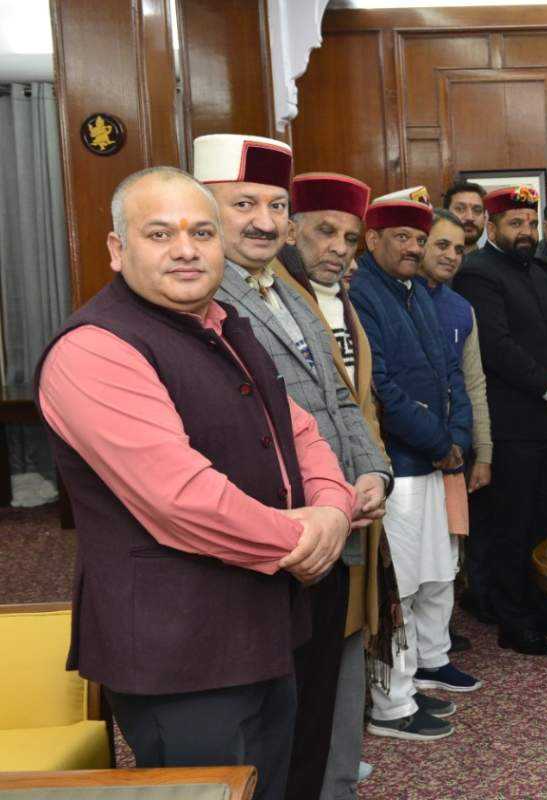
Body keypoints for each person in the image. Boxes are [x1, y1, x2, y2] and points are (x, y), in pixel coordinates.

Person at [37, 166, 357, 800]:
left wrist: (333, 508)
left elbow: (301, 433)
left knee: (273, 786)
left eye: (202, 232)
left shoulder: (225, 324)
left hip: (266, 628)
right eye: (160, 233)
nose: (186, 249)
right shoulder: (95, 348)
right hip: (177, 652)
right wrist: (304, 541)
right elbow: (180, 499)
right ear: (117, 249)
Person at [192, 136, 391, 800]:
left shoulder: (285, 286)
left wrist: (372, 474)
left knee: (314, 705)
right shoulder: (196, 292)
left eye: (277, 205)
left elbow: (339, 394)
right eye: (244, 203)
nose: (266, 221)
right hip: (270, 537)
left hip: (332, 527)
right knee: (266, 719)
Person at [274, 170, 390, 797]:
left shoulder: (334, 301)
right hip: (301, 520)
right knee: (309, 668)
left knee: (345, 653)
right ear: (292, 230)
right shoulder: (270, 299)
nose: (339, 248)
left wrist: (375, 471)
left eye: (349, 236)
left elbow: (356, 405)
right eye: (324, 232)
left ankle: (337, 779)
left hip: (356, 508)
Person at [352, 187, 478, 742]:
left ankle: (414, 683)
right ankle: (391, 706)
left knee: (433, 573)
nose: (412, 248)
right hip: (398, 467)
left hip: (432, 462)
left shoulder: (417, 293)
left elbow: (452, 374)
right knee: (396, 588)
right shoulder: (363, 295)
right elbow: (380, 388)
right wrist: (436, 440)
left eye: (419, 239)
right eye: (401, 237)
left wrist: (457, 437)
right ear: (372, 238)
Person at [453, 186, 547, 655]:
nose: (525, 232)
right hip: (510, 427)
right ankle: (513, 621)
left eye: (530, 223)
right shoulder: (477, 273)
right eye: (515, 224)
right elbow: (496, 346)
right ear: (492, 227)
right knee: (511, 528)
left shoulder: (544, 271)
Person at [417, 207, 493, 654]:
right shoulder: (396, 298)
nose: (450, 256)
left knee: (449, 549)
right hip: (412, 453)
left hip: (456, 451)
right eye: (440, 244)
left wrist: (483, 451)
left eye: (459, 249)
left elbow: (474, 382)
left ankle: (436, 638)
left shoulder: (460, 307)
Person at [442, 181, 487, 254]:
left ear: (484, 219)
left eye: (477, 210)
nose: (469, 217)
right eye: (460, 209)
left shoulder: (496, 264)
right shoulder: (428, 262)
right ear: (445, 215)